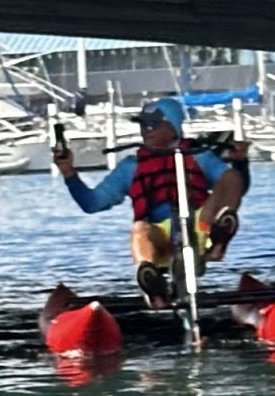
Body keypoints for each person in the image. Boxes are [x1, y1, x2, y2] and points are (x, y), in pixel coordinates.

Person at [56, 97, 249, 306]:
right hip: (160, 239)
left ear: (173, 128)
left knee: (231, 177)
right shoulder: (131, 167)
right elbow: (91, 203)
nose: (146, 130)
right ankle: (151, 280)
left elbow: (236, 187)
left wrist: (240, 163)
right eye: (143, 125)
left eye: (154, 125)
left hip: (201, 226)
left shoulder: (200, 155)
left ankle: (217, 242)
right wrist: (68, 172)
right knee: (140, 228)